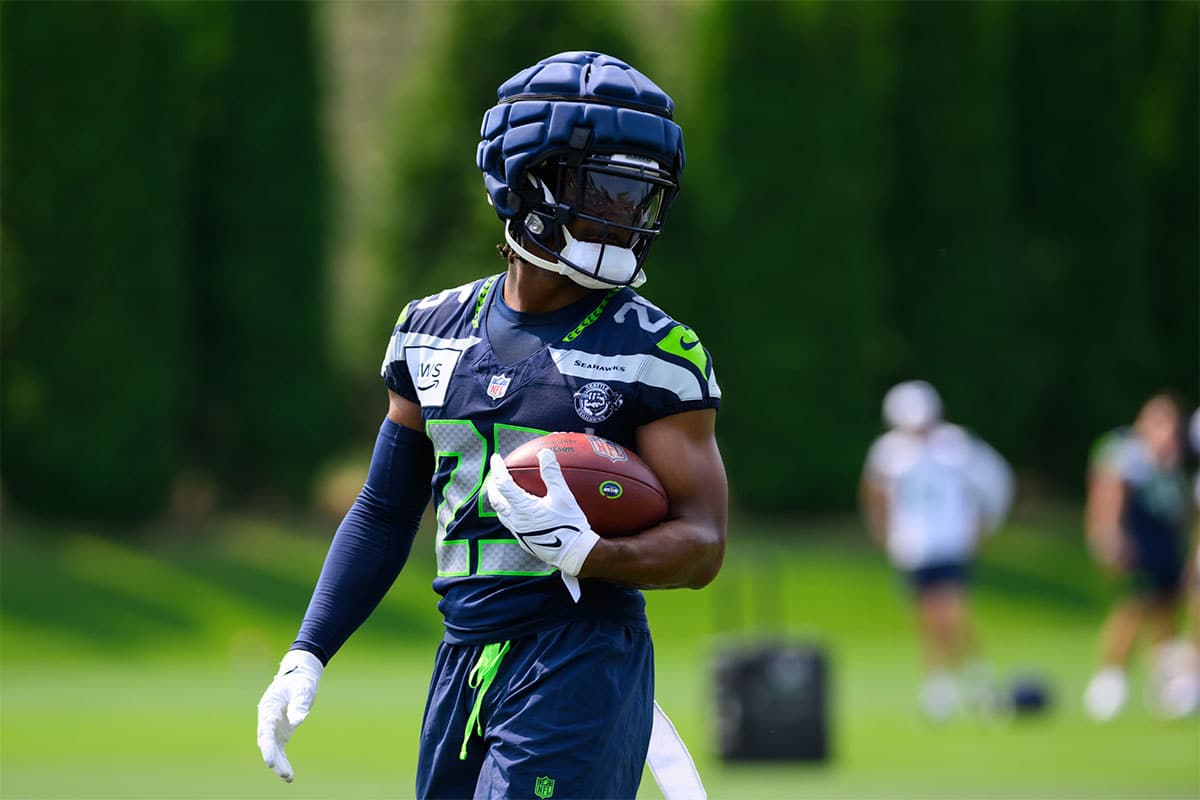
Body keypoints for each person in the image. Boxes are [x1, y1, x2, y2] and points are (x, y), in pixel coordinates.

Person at [255, 51, 727, 800]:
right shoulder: (428, 330)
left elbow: (704, 544)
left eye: (639, 195)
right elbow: (384, 509)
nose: (622, 213)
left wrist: (592, 553)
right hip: (462, 658)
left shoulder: (656, 349)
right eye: (600, 187)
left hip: (580, 657)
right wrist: (307, 651)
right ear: (523, 180)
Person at [859, 380, 1014, 722]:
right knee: (925, 617)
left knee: (952, 611)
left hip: (950, 542)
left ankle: (976, 679)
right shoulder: (889, 452)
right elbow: (874, 492)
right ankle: (939, 684)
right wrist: (882, 531)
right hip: (912, 545)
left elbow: (995, 482)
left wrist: (984, 526)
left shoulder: (956, 445)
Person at [1083, 394, 1193, 721]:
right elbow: (1108, 494)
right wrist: (1107, 534)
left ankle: (1167, 685)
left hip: (1166, 546)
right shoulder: (1124, 452)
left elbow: (1181, 510)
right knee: (1131, 609)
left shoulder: (1174, 461)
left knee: (1166, 612)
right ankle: (1110, 680)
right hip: (1136, 543)